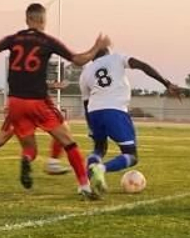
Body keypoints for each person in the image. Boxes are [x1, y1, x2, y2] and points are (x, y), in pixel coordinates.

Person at [0, 3, 109, 201]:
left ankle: (26, 160)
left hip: (15, 103)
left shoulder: (14, 38)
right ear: (43, 21)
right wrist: (97, 46)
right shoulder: (47, 41)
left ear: (27, 19)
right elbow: (79, 59)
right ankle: (84, 186)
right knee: (68, 142)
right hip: (37, 102)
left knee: (29, 149)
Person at [75, 42, 179, 194]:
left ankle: (86, 184)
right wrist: (166, 83)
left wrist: (91, 124)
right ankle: (101, 168)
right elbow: (142, 66)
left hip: (94, 112)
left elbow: (86, 102)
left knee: (99, 148)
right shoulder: (116, 58)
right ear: (107, 52)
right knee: (131, 155)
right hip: (115, 110)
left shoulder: (85, 73)